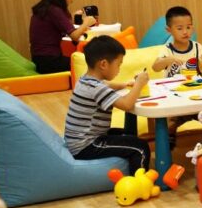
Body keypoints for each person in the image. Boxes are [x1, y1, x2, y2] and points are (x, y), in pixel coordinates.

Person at [64, 36, 151, 175]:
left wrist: (124, 85)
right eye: (118, 65)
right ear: (103, 64)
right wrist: (139, 84)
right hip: (87, 145)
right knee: (140, 147)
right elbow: (127, 105)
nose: (119, 69)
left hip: (78, 141)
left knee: (127, 135)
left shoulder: (86, 81)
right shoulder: (96, 88)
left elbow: (107, 85)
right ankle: (138, 182)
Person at [29, 0, 96, 74]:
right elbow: (74, 36)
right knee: (90, 65)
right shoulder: (54, 10)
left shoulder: (46, 7)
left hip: (40, 59)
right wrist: (86, 22)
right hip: (49, 61)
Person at [150, 6, 202, 78]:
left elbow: (200, 72)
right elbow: (155, 68)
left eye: (188, 27)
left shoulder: (197, 47)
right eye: (179, 28)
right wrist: (169, 59)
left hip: (193, 85)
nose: (185, 32)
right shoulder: (167, 49)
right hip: (172, 87)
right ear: (169, 30)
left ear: (192, 28)